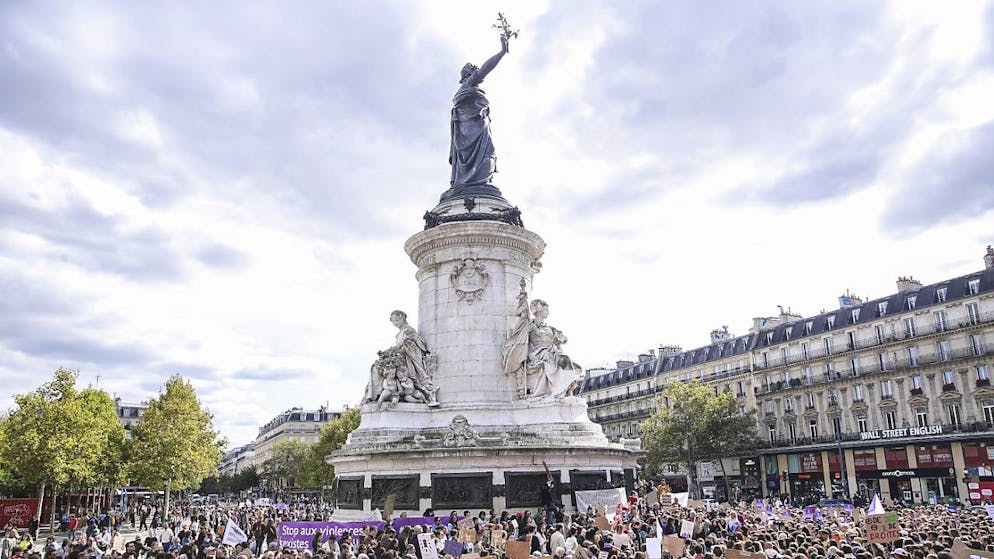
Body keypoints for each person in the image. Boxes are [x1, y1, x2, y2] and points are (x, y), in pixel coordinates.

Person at [448, 37, 509, 192]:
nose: (477, 72)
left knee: (486, 156)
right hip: (473, 129)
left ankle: (472, 182)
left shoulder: (464, 90)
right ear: (468, 74)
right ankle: (476, 183)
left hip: (473, 130)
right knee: (487, 155)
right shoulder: (469, 84)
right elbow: (486, 69)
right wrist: (501, 52)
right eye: (473, 70)